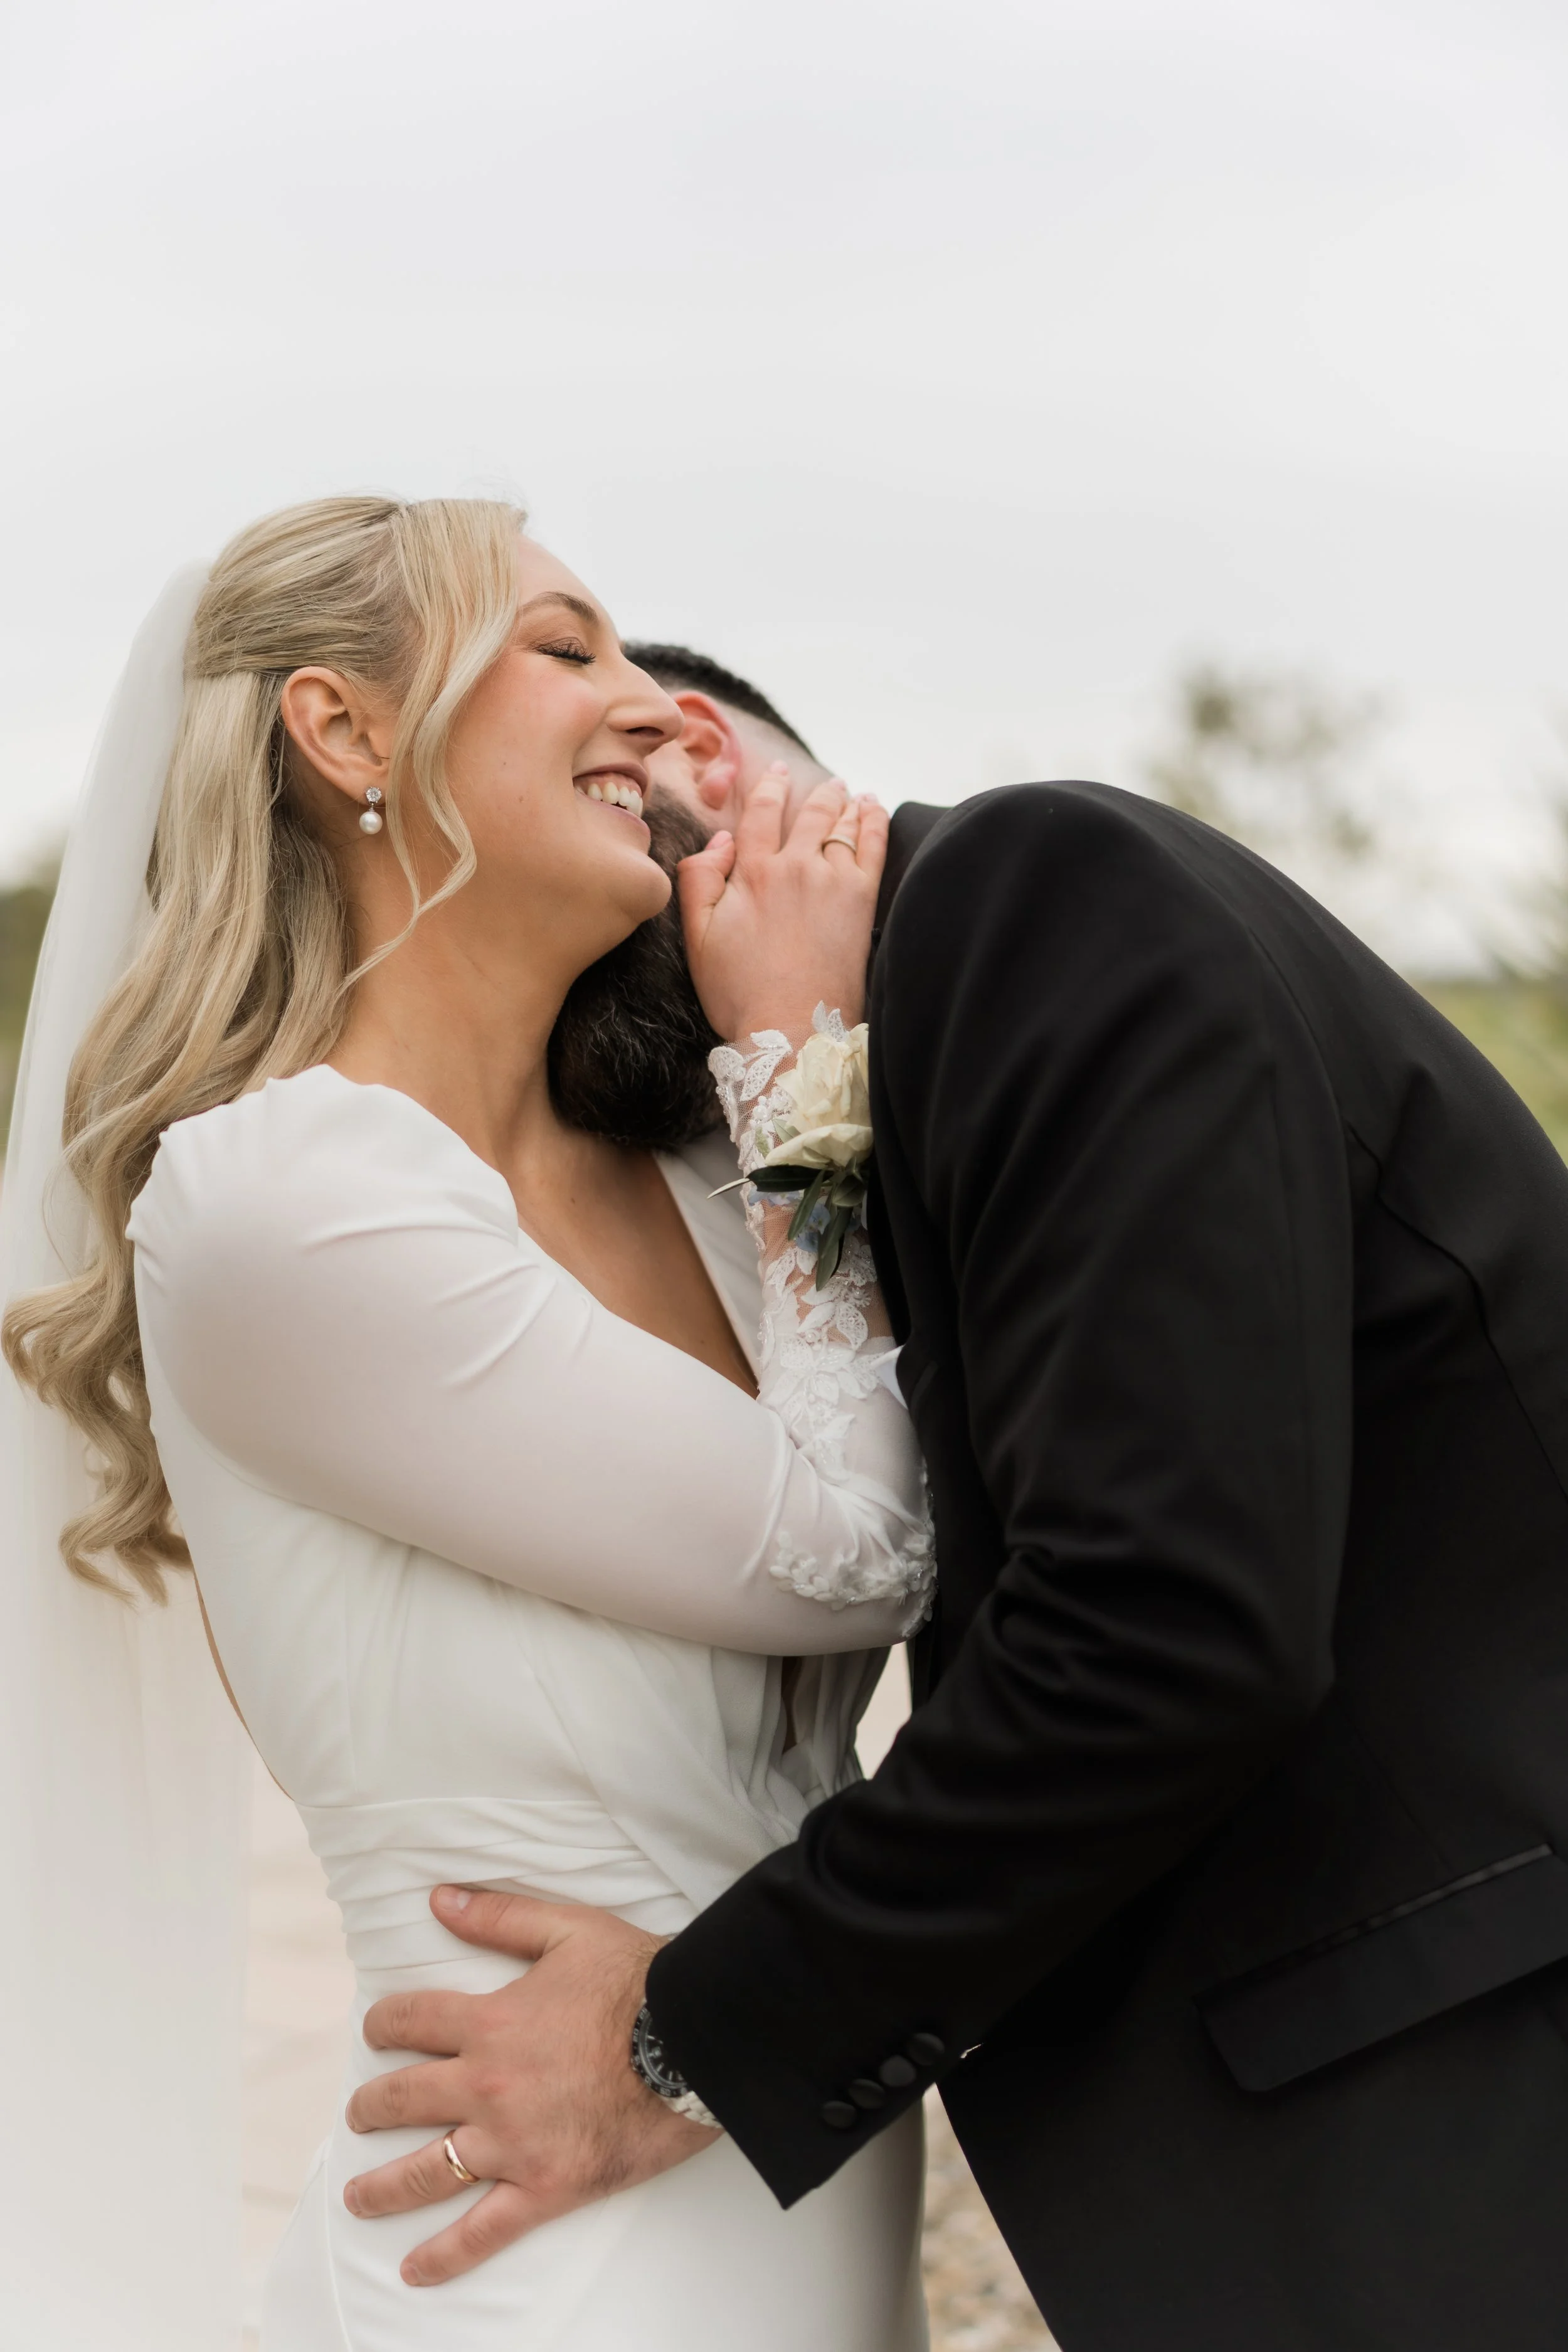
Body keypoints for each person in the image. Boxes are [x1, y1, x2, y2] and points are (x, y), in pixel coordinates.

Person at [351, 647, 1568, 2352]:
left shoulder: (1038, 898)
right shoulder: (907, 1050)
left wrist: (674, 2037)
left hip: (1461, 2075)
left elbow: (1160, 1629)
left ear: (690, 754)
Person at [1, 504, 935, 2351]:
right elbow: (860, 1545)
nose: (656, 710)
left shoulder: (689, 1160)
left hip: (791, 2193)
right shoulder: (285, 1204)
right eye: (565, 646)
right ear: (345, 733)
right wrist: (805, 1065)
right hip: (527, 2259)